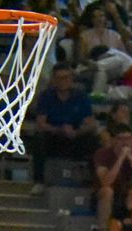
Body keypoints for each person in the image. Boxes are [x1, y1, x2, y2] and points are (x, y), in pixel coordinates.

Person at [25, 64, 102, 192]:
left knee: (94, 141)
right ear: (54, 80)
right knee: (39, 139)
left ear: (71, 79)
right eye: (59, 78)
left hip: (75, 137)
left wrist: (76, 132)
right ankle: (39, 181)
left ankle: (93, 182)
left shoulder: (81, 96)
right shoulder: (46, 96)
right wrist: (59, 129)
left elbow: (90, 123)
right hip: (53, 137)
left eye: (66, 78)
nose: (63, 81)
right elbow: (41, 123)